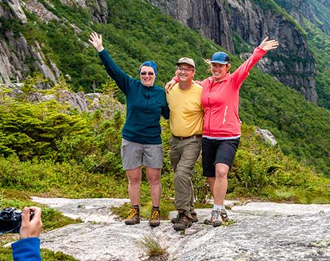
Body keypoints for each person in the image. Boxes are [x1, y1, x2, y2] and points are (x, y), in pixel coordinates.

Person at [168, 37, 278, 227]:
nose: (217, 69)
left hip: (228, 136)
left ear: (227, 67)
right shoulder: (207, 83)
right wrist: (176, 78)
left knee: (221, 171)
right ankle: (220, 208)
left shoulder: (233, 81)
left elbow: (247, 66)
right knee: (211, 175)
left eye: (220, 66)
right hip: (208, 136)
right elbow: (190, 80)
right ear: (210, 66)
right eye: (214, 65)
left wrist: (260, 50)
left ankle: (216, 211)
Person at [89, 32, 169, 226]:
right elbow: (113, 70)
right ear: (139, 74)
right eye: (144, 73)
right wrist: (101, 50)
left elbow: (169, 114)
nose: (147, 76)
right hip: (131, 139)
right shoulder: (131, 86)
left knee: (154, 179)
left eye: (150, 73)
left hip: (152, 141)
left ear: (155, 75)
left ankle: (155, 212)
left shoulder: (162, 93)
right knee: (134, 179)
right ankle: (135, 211)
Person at [166, 56, 204, 231]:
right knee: (181, 175)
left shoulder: (200, 91)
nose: (183, 71)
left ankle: (184, 214)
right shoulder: (171, 89)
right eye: (180, 68)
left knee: (181, 174)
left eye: (187, 69)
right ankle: (191, 211)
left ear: (193, 73)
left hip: (193, 140)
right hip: (175, 140)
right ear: (176, 71)